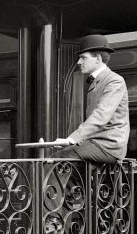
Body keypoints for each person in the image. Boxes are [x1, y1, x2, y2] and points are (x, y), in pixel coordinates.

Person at [46, 34, 129, 163]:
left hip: (109, 146)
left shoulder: (114, 80)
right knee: (64, 164)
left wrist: (71, 139)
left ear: (98, 59)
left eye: (83, 58)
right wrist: (71, 141)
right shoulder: (98, 80)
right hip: (95, 144)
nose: (79, 62)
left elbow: (101, 116)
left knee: (55, 161)